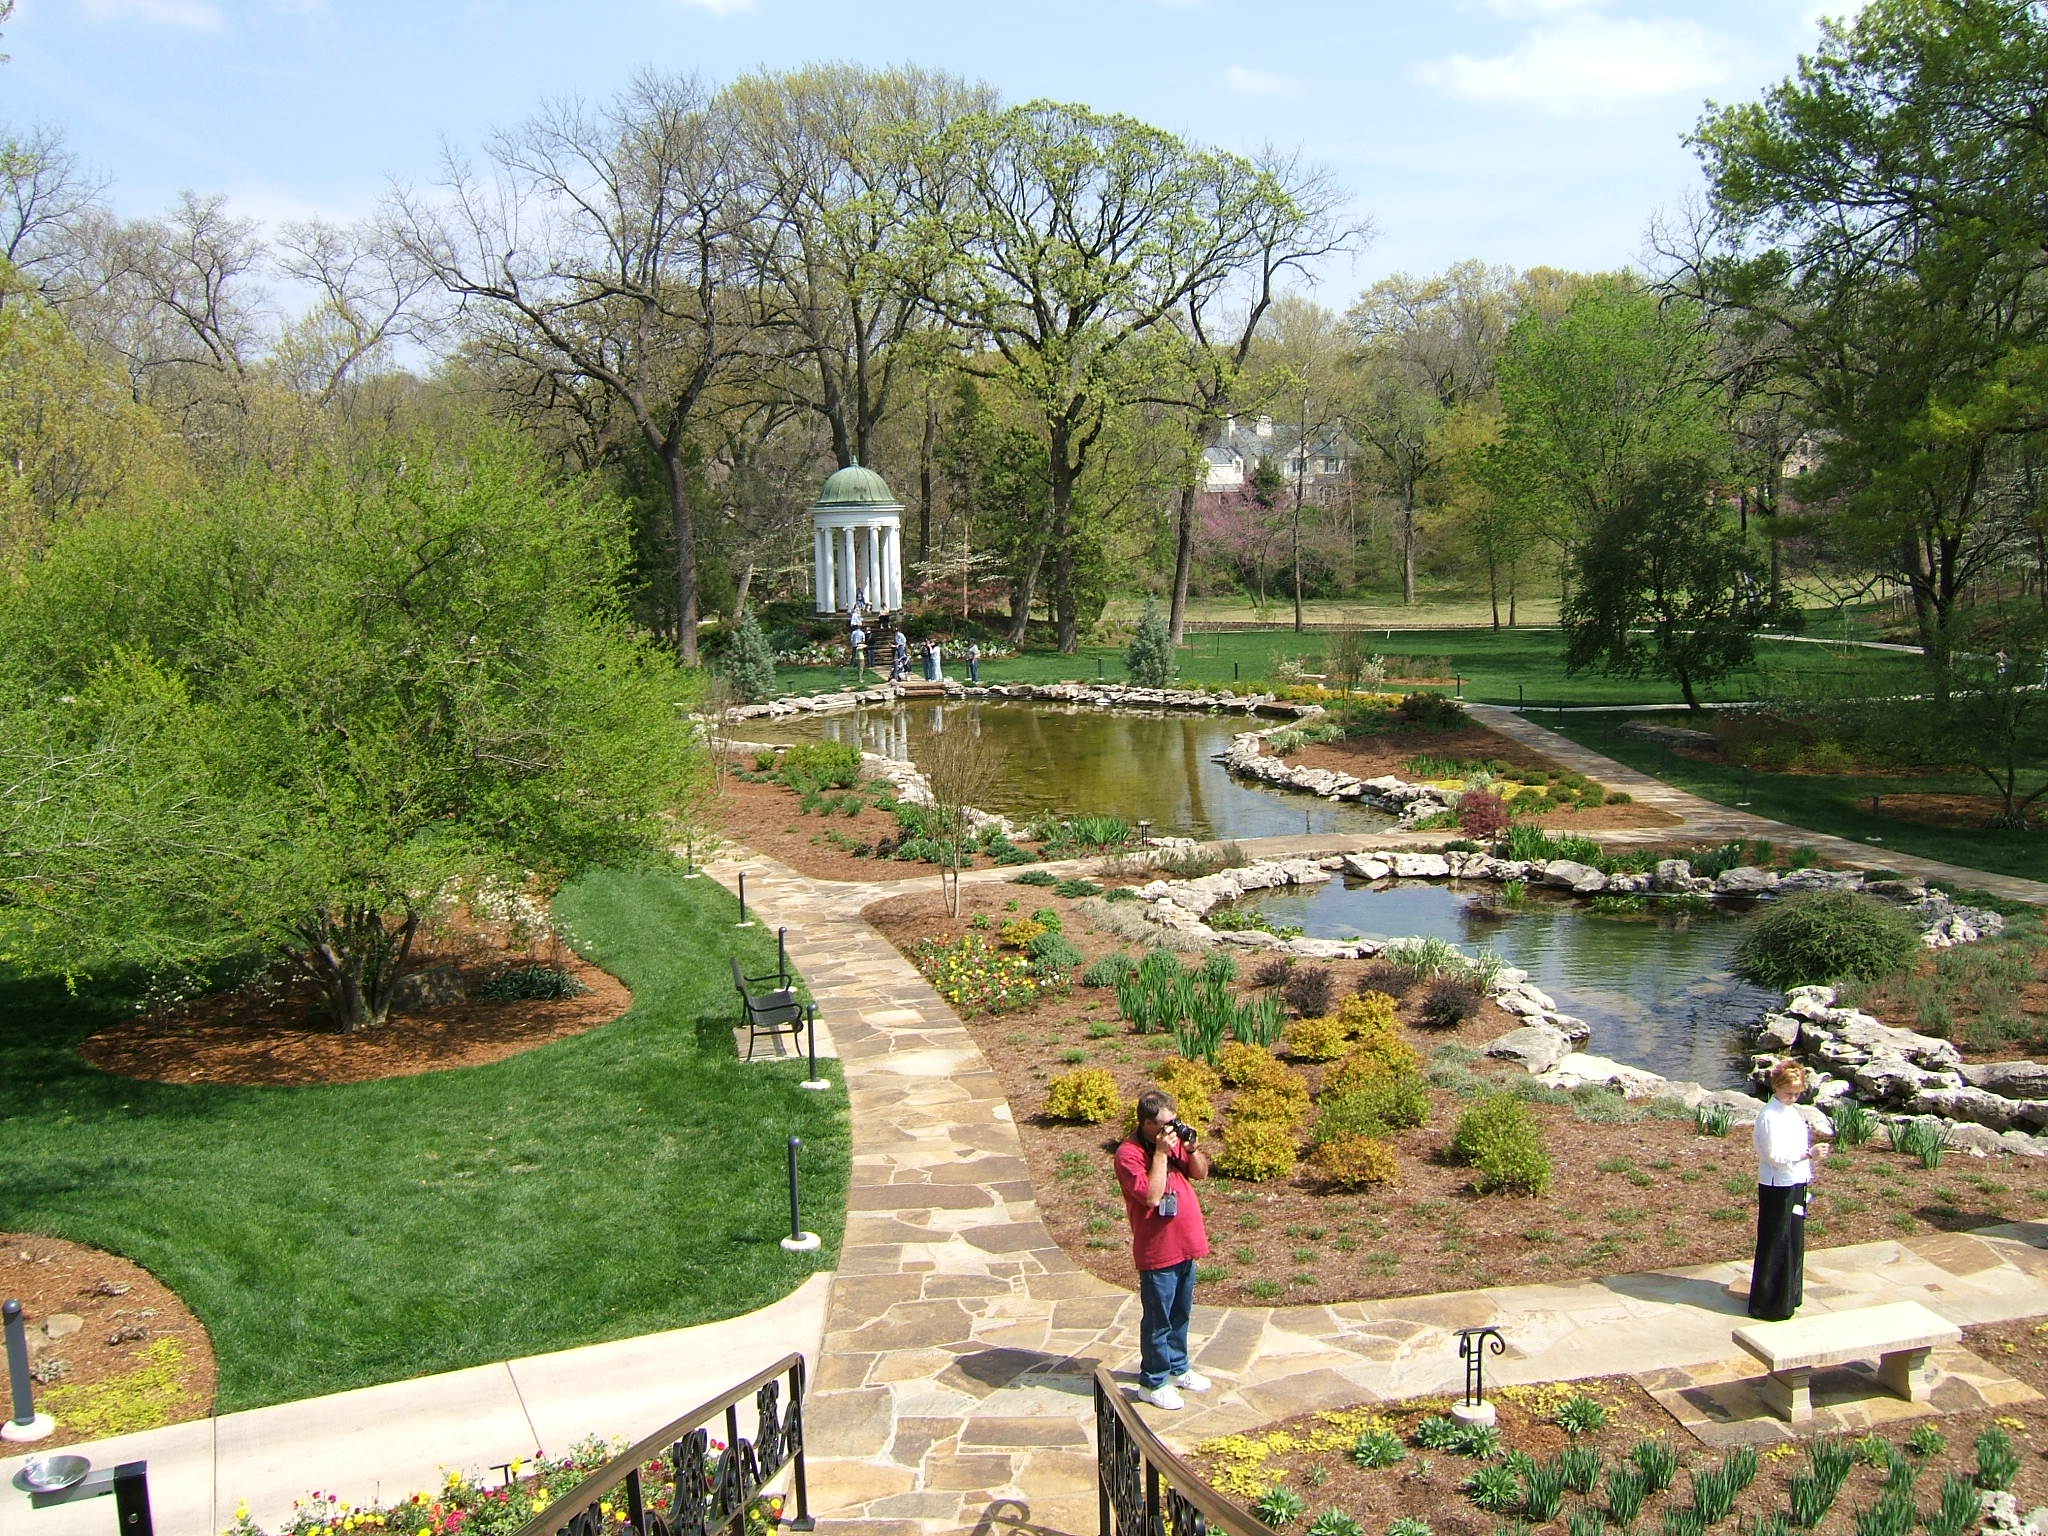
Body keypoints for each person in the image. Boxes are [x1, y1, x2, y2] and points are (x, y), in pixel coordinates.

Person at [1115, 1088, 1212, 1410]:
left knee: (1180, 1315)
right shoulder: (1129, 1155)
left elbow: (1200, 1173)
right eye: (1163, 1125)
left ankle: (1178, 1366)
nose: (1170, 1130)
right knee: (1159, 1320)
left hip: (1185, 1245)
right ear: (1145, 1124)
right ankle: (1153, 1381)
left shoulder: (1172, 1142)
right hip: (1158, 1252)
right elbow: (1152, 1197)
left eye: (1174, 1122)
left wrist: (1192, 1148)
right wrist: (1159, 1154)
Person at [1750, 1058, 1820, 1321]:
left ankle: (1789, 1295)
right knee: (1776, 1241)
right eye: (1789, 1093)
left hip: (1795, 1180)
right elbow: (1774, 1156)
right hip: (1777, 1183)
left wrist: (1806, 1161)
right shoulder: (1769, 1116)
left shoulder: (1792, 1112)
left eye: (1797, 1093)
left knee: (1793, 1239)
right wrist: (1807, 1154)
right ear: (1776, 1087)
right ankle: (1769, 1302)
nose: (1793, 1097)